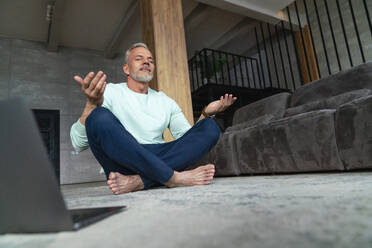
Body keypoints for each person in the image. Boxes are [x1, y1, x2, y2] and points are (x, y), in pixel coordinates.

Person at [70, 43, 237, 194]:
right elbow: (78, 143)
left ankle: (140, 181)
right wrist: (92, 105)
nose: (146, 62)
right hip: (122, 161)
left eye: (150, 60)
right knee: (97, 116)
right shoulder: (110, 92)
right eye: (139, 58)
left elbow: (188, 139)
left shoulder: (166, 101)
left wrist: (206, 113)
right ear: (126, 69)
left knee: (210, 127)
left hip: (158, 154)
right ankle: (173, 178)